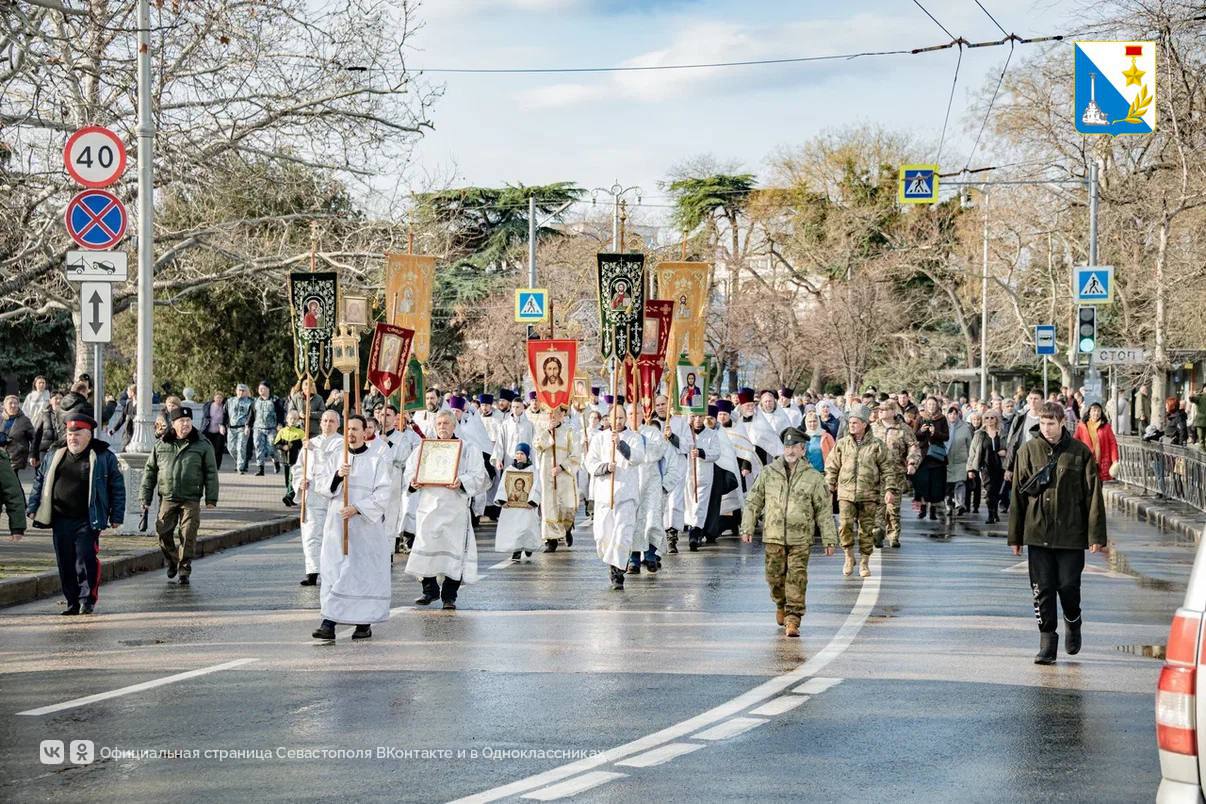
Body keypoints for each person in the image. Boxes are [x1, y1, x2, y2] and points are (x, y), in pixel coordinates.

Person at [1008, 401, 1107, 665]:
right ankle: (1047, 643)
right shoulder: (1027, 451)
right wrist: (1015, 536)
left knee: (1068, 586)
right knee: (1042, 589)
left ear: (1062, 422)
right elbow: (1017, 498)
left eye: (1051, 423)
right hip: (1037, 531)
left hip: (1071, 534)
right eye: (1042, 423)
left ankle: (1073, 622)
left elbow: (1093, 496)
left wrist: (1096, 536)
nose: (1047, 428)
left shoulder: (1080, 452)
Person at [740, 427, 836, 638]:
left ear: (803, 450)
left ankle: (793, 618)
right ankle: (780, 603)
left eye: (795, 447)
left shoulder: (813, 477)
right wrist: (747, 526)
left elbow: (823, 510)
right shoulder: (769, 472)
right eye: (787, 446)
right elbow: (754, 500)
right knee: (774, 577)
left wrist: (829, 538)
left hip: (801, 537)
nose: (790, 450)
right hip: (773, 534)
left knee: (797, 577)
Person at [25, 413, 125, 615]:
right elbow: (40, 480)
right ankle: (71, 601)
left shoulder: (103, 456)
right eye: (70, 434)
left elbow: (117, 487)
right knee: (65, 561)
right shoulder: (56, 454)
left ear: (89, 435)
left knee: (85, 559)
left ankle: (86, 599)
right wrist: (33, 505)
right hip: (60, 518)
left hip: (87, 518)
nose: (73, 438)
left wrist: (116, 516)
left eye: (78, 434)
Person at [307, 414, 393, 641]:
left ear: (365, 432)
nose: (352, 434)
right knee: (335, 570)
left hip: (365, 527)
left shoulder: (377, 458)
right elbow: (322, 486)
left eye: (356, 429)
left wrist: (357, 508)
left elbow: (384, 493)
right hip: (337, 525)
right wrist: (337, 476)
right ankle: (328, 622)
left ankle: (363, 623)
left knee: (361, 573)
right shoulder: (337, 455)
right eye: (348, 430)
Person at [404, 409, 490, 609]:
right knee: (426, 546)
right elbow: (410, 471)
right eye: (439, 424)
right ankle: (430, 590)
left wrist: (462, 482)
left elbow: (480, 475)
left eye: (446, 423)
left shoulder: (468, 449)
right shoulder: (424, 449)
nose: (442, 427)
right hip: (429, 506)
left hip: (455, 507)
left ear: (454, 426)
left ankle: (449, 596)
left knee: (454, 550)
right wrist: (413, 481)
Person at [140, 409, 220, 586]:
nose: (185, 424)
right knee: (162, 530)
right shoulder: (162, 445)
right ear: (173, 424)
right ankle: (171, 559)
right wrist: (145, 497)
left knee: (188, 533)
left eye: (188, 420)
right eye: (181, 421)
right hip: (168, 497)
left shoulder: (203, 444)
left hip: (191, 498)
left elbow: (211, 473)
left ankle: (184, 568)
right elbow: (150, 472)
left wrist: (211, 498)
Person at [825, 405, 898, 578]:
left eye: (855, 422)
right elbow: (832, 466)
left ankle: (864, 561)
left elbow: (888, 468)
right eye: (850, 422)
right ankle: (849, 557)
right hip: (845, 494)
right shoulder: (842, 444)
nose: (851, 425)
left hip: (869, 494)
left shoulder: (876, 445)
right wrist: (829, 485)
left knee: (866, 530)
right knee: (844, 526)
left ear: (864, 424)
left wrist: (889, 489)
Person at [583, 402, 645, 590]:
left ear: (626, 418)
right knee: (603, 535)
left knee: (622, 535)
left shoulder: (634, 437)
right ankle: (613, 562)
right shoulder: (600, 438)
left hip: (626, 495)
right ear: (608, 419)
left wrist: (620, 445)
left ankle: (617, 570)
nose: (617, 421)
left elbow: (638, 457)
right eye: (614, 418)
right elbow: (589, 462)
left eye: (620, 418)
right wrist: (604, 468)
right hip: (604, 495)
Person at [292, 409, 342, 585]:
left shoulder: (340, 443)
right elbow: (299, 467)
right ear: (320, 423)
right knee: (311, 532)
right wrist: (300, 481)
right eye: (325, 421)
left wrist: (317, 450)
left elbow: (332, 465)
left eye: (331, 421)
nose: (327, 424)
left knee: (332, 533)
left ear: (338, 424)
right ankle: (312, 571)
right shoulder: (310, 443)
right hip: (312, 492)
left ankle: (333, 571)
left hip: (332, 493)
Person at [531, 405, 580, 553]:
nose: (553, 416)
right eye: (549, 413)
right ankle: (550, 539)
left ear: (563, 414)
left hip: (564, 473)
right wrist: (548, 431)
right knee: (548, 505)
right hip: (547, 472)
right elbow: (537, 446)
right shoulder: (542, 430)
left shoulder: (570, 432)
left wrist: (562, 467)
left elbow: (576, 455)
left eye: (557, 413)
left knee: (566, 506)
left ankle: (567, 528)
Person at [871, 401, 920, 549]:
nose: (882, 412)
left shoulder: (903, 429)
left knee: (892, 507)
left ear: (893, 411)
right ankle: (877, 532)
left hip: (896, 473)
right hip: (876, 474)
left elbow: (913, 447)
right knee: (878, 505)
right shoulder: (872, 428)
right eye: (880, 409)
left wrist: (912, 463)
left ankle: (893, 535)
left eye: (885, 409)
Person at [495, 444, 542, 562]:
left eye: (522, 454)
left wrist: (532, 501)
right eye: (517, 454)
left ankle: (528, 547)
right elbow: (503, 486)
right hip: (512, 507)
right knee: (515, 529)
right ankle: (516, 551)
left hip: (526, 506)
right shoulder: (509, 470)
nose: (519, 456)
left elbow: (536, 487)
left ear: (527, 455)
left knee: (526, 528)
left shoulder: (532, 470)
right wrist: (503, 500)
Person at [912, 397, 949, 521]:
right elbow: (914, 436)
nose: (932, 406)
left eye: (934, 404)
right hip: (923, 456)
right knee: (922, 483)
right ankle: (923, 508)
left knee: (935, 485)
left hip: (936, 457)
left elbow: (946, 436)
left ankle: (933, 510)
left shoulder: (942, 418)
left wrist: (935, 432)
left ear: (937, 405)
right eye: (929, 404)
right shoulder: (920, 417)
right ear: (926, 405)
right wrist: (922, 431)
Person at [968, 409, 1007, 524]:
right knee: (989, 490)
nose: (989, 420)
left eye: (992, 418)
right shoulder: (979, 434)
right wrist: (970, 468)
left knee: (997, 491)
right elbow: (972, 451)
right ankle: (990, 515)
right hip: (985, 466)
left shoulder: (1002, 433)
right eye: (987, 418)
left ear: (996, 419)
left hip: (1000, 466)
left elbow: (1009, 447)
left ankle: (995, 512)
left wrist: (1005, 451)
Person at [1073, 402, 1119, 483]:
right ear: (1089, 412)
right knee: (1087, 483)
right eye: (1094, 410)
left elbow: (1113, 444)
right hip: (1087, 460)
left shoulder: (1106, 427)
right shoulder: (1082, 426)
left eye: (1098, 411)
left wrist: (1115, 460)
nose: (1096, 413)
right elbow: (1075, 442)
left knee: (1099, 485)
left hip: (1102, 461)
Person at [248, 382, 282, 476]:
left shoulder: (275, 400)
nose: (261, 391)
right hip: (258, 428)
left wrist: (280, 424)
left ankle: (276, 462)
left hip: (271, 428)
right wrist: (248, 425)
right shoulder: (255, 401)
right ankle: (260, 469)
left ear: (268, 389)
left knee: (271, 447)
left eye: (263, 388)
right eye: (259, 389)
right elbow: (251, 415)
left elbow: (280, 413)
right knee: (258, 446)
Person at [274, 411, 307, 507]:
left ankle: (288, 496)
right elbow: (276, 443)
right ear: (287, 419)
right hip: (285, 460)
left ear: (298, 420)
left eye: (295, 419)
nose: (292, 421)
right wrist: (283, 447)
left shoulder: (300, 432)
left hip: (295, 460)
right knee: (287, 479)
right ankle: (292, 497)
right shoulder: (282, 431)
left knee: (291, 479)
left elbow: (304, 445)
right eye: (291, 419)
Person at [945, 405, 973, 517]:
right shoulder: (943, 426)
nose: (953, 416)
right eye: (950, 413)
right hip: (946, 460)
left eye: (955, 414)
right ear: (947, 415)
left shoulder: (965, 427)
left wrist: (970, 462)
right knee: (947, 485)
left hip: (961, 460)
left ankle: (960, 505)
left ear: (958, 415)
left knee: (960, 483)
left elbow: (970, 445)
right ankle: (948, 506)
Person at [1, 395, 36, 472]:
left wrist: (32, 455)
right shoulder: (0, 419)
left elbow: (34, 438)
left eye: (15, 403)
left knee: (12, 481)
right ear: (4, 406)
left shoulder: (24, 420)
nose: (13, 405)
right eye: (10, 403)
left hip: (16, 458)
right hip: (1, 456)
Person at [225, 384, 254, 473]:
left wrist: (248, 426)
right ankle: (239, 462)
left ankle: (240, 468)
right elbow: (225, 413)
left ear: (246, 392)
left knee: (241, 447)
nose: (241, 392)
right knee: (231, 448)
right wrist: (222, 425)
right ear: (236, 391)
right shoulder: (230, 401)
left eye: (243, 390)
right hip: (231, 428)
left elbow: (251, 415)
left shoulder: (250, 402)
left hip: (243, 428)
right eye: (239, 390)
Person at [200, 391, 228, 470]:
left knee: (218, 449)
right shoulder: (208, 405)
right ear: (214, 398)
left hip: (219, 431)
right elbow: (205, 417)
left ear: (223, 399)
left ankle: (216, 466)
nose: (219, 400)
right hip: (208, 430)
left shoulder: (225, 407)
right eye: (217, 398)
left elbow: (227, 418)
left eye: (220, 398)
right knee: (208, 449)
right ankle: (206, 465)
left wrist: (223, 425)